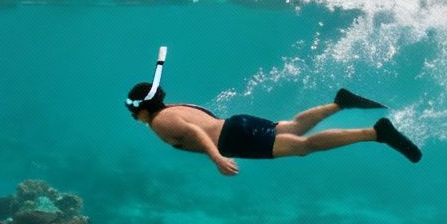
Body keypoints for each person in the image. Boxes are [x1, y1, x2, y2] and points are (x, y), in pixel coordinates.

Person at [126, 82, 422, 175]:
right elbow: (200, 122)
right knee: (295, 127)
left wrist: (216, 158)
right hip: (236, 123)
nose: (134, 118)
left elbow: (196, 134)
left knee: (303, 147)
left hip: (235, 139)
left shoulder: (160, 122)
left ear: (143, 110)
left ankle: (376, 133)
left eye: (134, 112)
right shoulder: (176, 107)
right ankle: (339, 104)